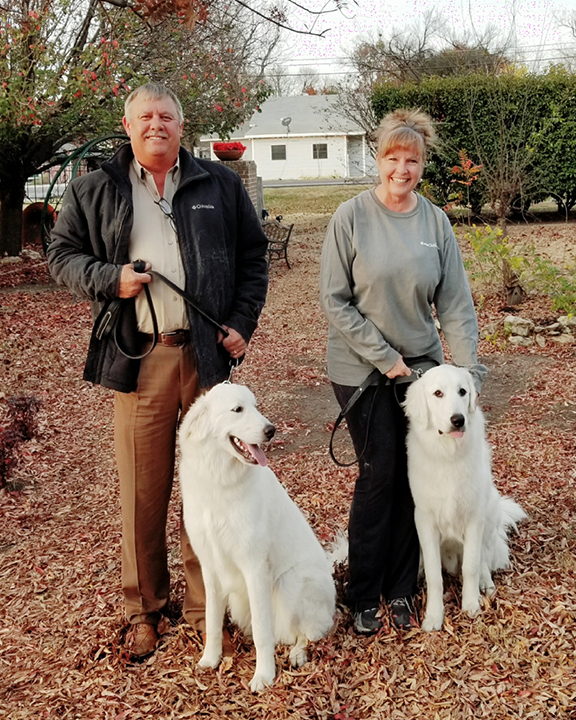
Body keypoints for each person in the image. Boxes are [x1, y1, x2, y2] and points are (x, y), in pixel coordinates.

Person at [47, 82, 268, 657]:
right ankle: (144, 608)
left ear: (181, 122)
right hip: (141, 358)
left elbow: (252, 257)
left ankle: (204, 607)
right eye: (145, 117)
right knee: (143, 493)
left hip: (207, 362)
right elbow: (61, 255)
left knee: (212, 485)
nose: (156, 125)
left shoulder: (218, 184)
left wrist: (243, 321)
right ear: (128, 125)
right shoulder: (96, 189)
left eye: (166, 116)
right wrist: (109, 279)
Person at [319, 108, 487, 634]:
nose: (401, 168)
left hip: (423, 375)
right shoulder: (351, 217)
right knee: (380, 474)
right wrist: (387, 361)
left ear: (421, 163)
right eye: (392, 157)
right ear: (378, 158)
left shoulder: (434, 222)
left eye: (411, 159)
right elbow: (335, 302)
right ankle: (364, 591)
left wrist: (467, 373)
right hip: (363, 368)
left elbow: (456, 304)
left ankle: (402, 588)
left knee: (417, 482)